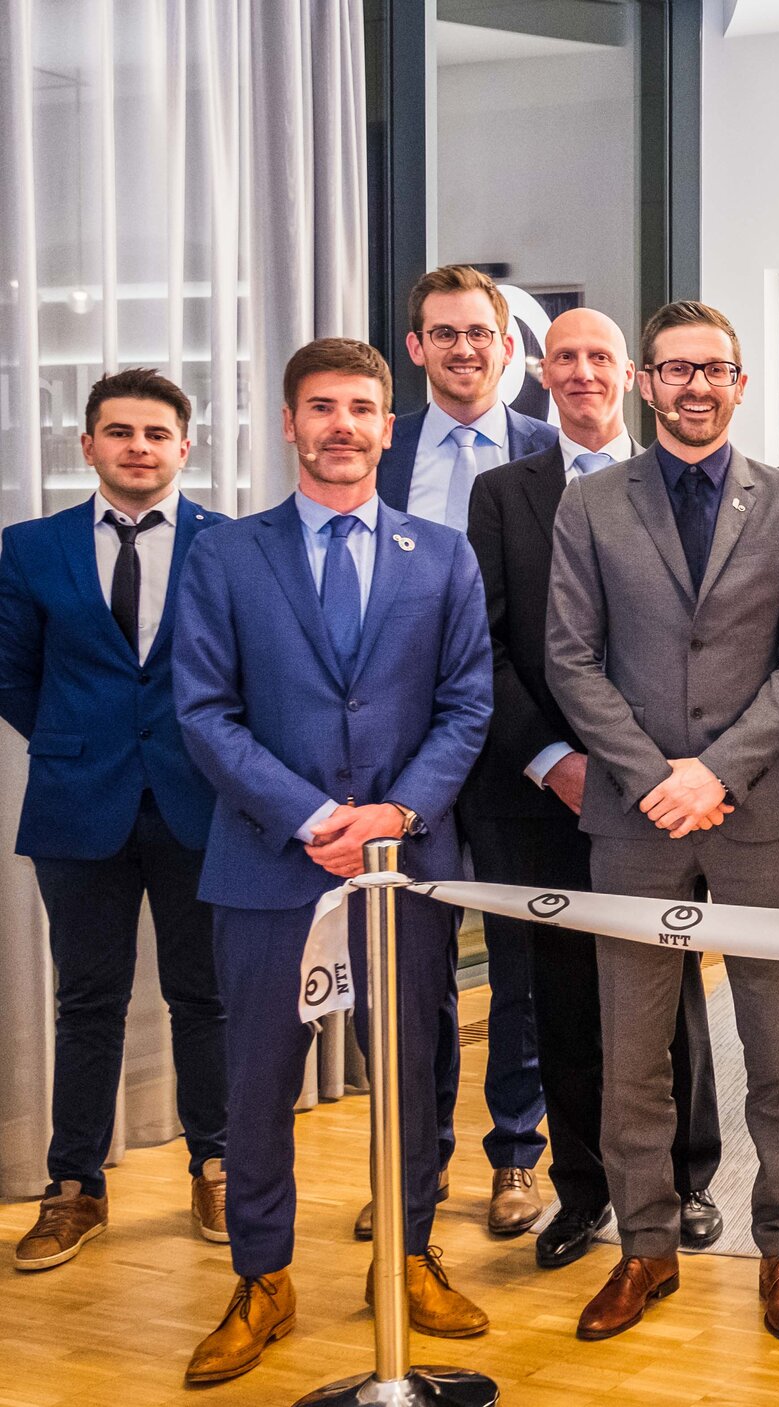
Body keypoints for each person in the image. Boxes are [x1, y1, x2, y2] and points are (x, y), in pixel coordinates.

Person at [172, 338, 494, 1383]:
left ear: (388, 427)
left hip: (403, 864)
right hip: (271, 860)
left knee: (412, 1070)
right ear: (289, 423)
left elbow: (466, 706)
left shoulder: (441, 554)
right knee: (257, 1079)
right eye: (321, 407)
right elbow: (205, 713)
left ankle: (405, 1256)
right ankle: (262, 1277)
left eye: (361, 407)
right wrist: (314, 815)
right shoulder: (225, 555)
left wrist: (392, 813)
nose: (342, 425)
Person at [545, 301, 779, 1343]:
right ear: (646, 383)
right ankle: (646, 1247)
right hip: (635, 818)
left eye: (714, 368)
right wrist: (650, 776)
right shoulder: (590, 504)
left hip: (757, 809)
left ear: (740, 383)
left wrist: (717, 772)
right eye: (675, 369)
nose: (696, 386)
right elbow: (570, 656)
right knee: (632, 1053)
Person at [463, 307, 728, 1270]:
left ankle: (688, 1179)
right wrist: (553, 759)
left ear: (633, 376)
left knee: (671, 984)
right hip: (550, 789)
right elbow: (487, 643)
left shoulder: (684, 479)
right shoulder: (503, 494)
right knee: (565, 995)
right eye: (565, 356)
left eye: (600, 356)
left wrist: (662, 770)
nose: (582, 371)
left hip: (664, 788)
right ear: (542, 372)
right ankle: (584, 1190)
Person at [2, 369, 228, 1271]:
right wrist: (77, 740)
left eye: (156, 432)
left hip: (198, 801)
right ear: (88, 443)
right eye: (120, 431)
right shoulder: (30, 547)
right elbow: (13, 672)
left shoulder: (230, 544)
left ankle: (217, 1163)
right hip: (77, 802)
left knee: (204, 995)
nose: (139, 446)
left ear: (185, 446)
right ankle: (75, 1187)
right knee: (86, 1001)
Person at [376, 262, 558, 1241]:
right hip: (404, 751)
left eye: (478, 332)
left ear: (508, 345)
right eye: (442, 333)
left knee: (522, 961)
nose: (461, 348)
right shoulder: (381, 449)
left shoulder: (551, 452)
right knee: (413, 965)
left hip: (519, 744)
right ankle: (415, 1164)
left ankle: (517, 1155)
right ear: (416, 347)